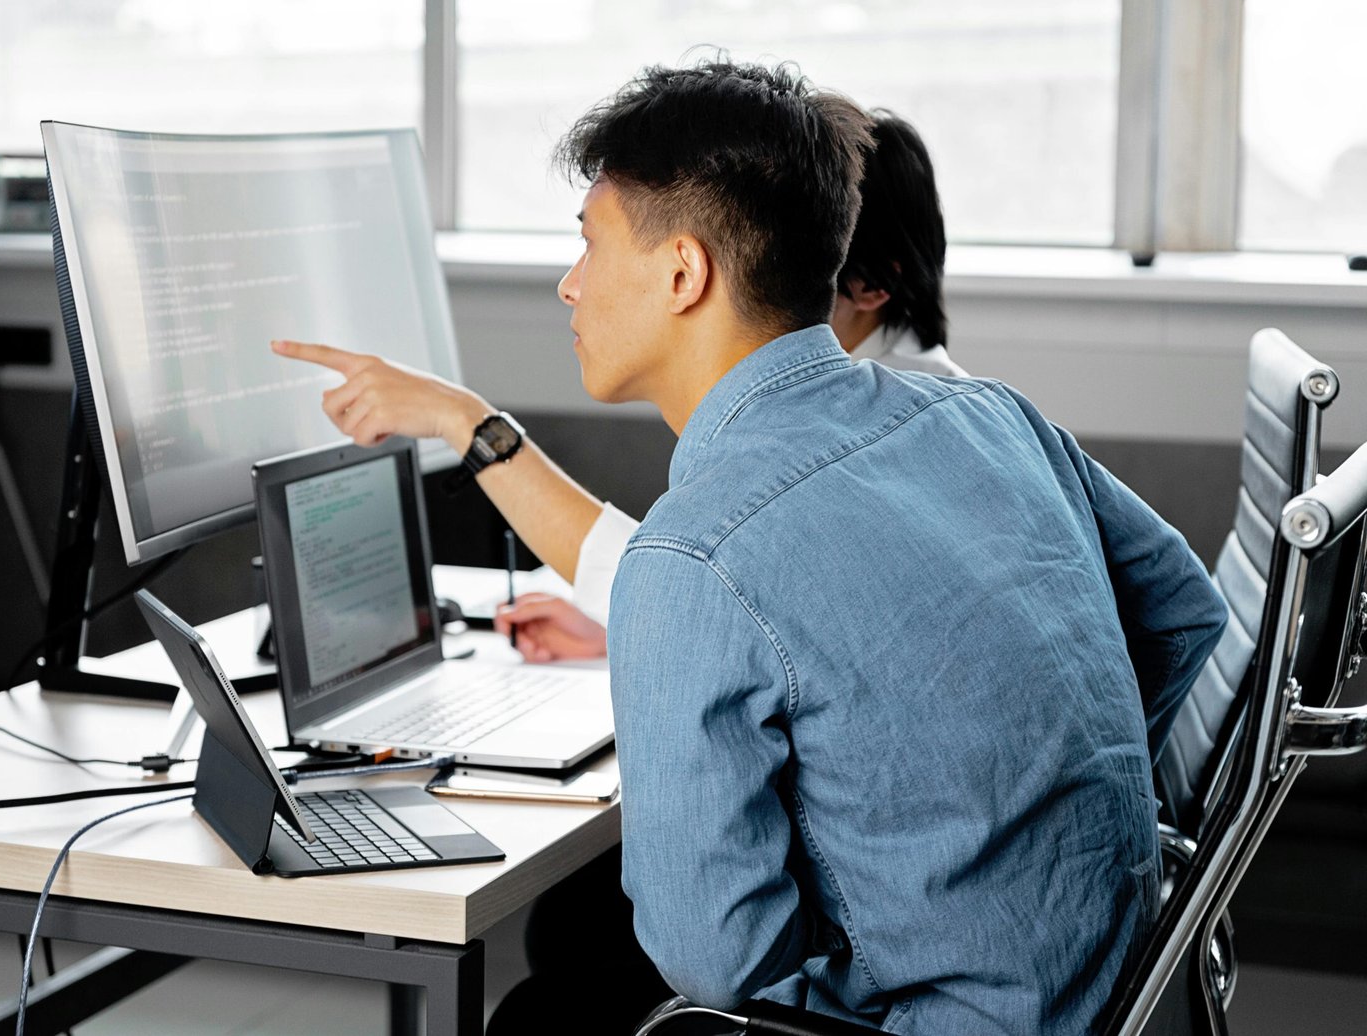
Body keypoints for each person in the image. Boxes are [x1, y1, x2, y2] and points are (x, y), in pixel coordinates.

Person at [275, 58, 1226, 1034]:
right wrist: (1032, 821)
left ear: (684, 272)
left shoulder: (695, 558)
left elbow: (717, 963)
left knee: (541, 1016)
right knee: (570, 954)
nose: (568, 286)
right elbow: (1186, 613)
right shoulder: (986, 413)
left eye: (590, 245)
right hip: (1120, 990)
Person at [271, 108, 967, 661]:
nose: (571, 286)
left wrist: (466, 422)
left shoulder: (846, 450)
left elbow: (689, 575)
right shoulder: (967, 415)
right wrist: (635, 640)